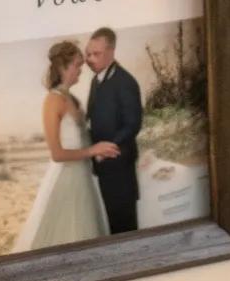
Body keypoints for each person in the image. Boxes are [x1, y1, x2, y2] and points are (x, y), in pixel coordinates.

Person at [16, 41, 117, 251]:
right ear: (63, 67)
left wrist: (100, 151)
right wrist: (93, 150)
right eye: (77, 65)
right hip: (66, 180)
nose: (81, 70)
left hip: (83, 178)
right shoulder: (53, 100)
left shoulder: (72, 98)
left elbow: (82, 140)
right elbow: (57, 154)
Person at [85, 27, 143, 233]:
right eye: (88, 54)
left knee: (125, 228)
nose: (90, 59)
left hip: (120, 168)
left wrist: (105, 150)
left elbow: (133, 124)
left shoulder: (126, 82)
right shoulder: (95, 80)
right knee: (114, 226)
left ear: (111, 52)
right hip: (104, 169)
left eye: (96, 54)